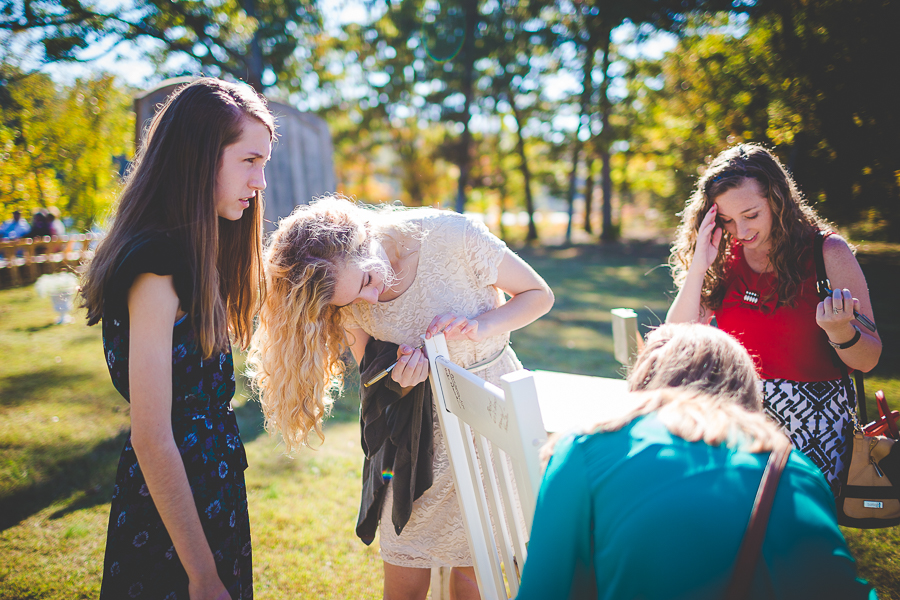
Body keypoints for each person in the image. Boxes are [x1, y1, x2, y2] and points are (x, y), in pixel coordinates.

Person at [248, 195, 554, 600]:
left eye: (365, 282)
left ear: (362, 239)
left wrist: (481, 326)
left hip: (489, 426)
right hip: (413, 443)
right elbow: (373, 378)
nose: (369, 301)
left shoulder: (452, 235)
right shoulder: (348, 301)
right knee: (406, 565)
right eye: (354, 299)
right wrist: (401, 382)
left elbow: (538, 294)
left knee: (474, 569)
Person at [79, 77, 274, 600]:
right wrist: (203, 575)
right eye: (249, 161)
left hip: (214, 494)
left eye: (264, 165)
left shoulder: (200, 250)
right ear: (201, 155)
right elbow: (151, 435)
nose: (259, 182)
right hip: (171, 518)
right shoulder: (157, 267)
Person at [516, 323, 876, 600]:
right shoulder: (794, 470)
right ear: (748, 390)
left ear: (646, 382)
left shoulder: (587, 445)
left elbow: (544, 589)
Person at [666, 143, 881, 492]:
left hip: (813, 427)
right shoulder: (725, 255)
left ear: (778, 199)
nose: (741, 232)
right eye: (727, 220)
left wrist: (840, 331)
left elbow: (870, 359)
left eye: (751, 215)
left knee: (794, 537)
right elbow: (675, 338)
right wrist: (698, 269)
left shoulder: (828, 252)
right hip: (738, 416)